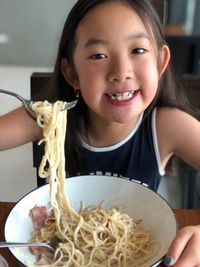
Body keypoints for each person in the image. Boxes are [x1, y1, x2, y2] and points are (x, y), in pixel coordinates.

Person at [0, 0, 200, 266]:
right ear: (72, 73)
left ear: (160, 62)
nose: (121, 72)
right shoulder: (48, 119)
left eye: (138, 50)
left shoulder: (167, 125)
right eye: (98, 55)